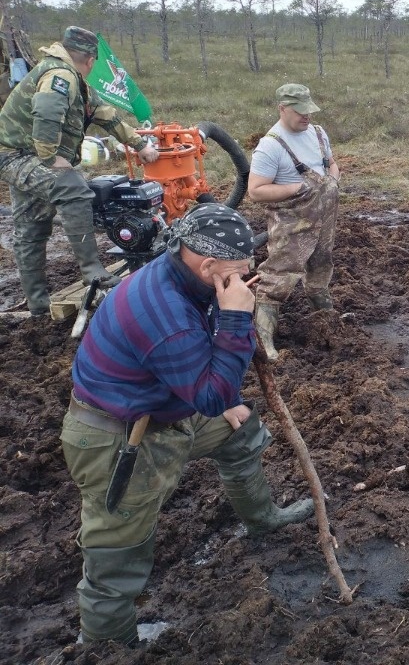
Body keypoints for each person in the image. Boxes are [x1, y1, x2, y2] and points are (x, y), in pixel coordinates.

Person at [60, 203, 313, 645]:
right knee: (117, 550)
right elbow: (210, 395)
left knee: (242, 429)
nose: (243, 277)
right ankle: (105, 646)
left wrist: (228, 398)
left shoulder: (184, 274)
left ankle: (262, 519)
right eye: (234, 272)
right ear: (207, 263)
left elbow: (216, 390)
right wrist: (236, 315)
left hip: (165, 405)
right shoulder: (164, 314)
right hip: (115, 437)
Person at [0, 26, 159, 317]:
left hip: (24, 155)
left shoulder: (77, 82)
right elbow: (46, 112)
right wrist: (50, 159)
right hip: (17, 156)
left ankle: (38, 306)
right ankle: (92, 271)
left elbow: (106, 116)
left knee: (31, 230)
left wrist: (140, 145)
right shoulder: (60, 76)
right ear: (89, 59)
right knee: (72, 188)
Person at [247, 83, 341, 360]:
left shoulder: (318, 133)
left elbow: (331, 163)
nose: (306, 116)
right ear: (282, 108)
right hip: (292, 224)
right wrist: (296, 188)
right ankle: (264, 340)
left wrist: (333, 178)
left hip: (324, 219)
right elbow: (256, 191)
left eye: (309, 110)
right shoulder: (270, 146)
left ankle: (327, 318)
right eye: (299, 112)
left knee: (321, 264)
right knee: (279, 275)